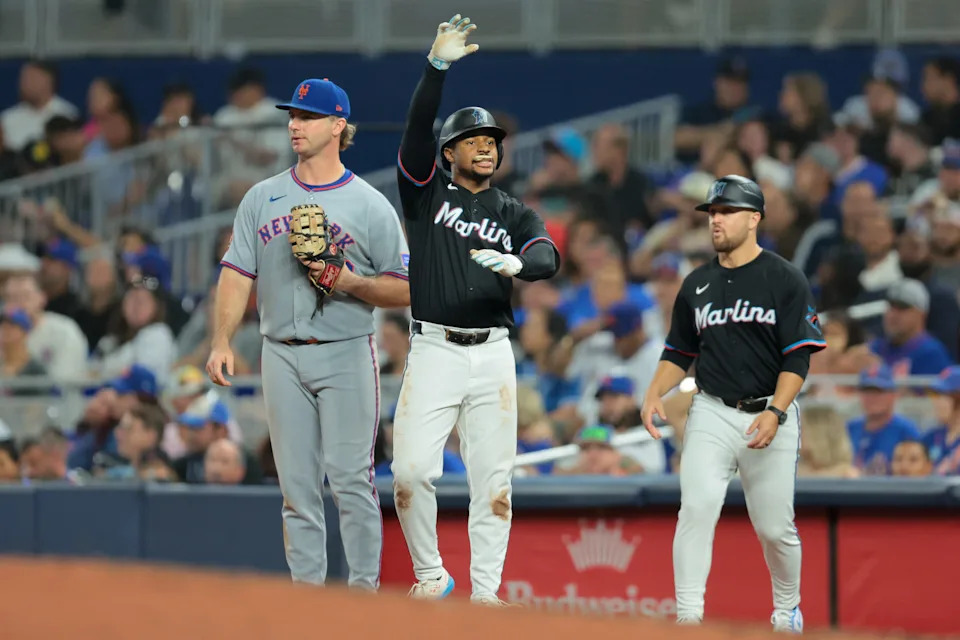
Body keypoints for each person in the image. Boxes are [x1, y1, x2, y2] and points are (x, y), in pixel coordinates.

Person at [206, 76, 411, 591]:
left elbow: (404, 287)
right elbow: (235, 273)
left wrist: (349, 281)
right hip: (280, 352)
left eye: (308, 117)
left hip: (345, 350)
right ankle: (307, 605)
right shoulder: (262, 196)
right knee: (296, 488)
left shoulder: (368, 204)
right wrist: (221, 339)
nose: (295, 125)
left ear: (338, 125)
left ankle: (363, 597)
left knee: (350, 481)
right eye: (293, 116)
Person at [390, 14, 560, 606]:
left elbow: (545, 252)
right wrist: (435, 68)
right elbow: (415, 130)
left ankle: (487, 593)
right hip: (435, 347)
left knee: (495, 484)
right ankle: (432, 573)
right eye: (474, 139)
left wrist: (522, 265)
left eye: (492, 140)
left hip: (491, 354)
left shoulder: (513, 212)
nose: (486, 145)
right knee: (410, 472)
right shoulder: (425, 191)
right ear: (449, 152)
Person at [640, 175, 826, 632]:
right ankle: (688, 616)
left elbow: (797, 358)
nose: (716, 220)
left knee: (774, 529)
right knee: (697, 508)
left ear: (754, 218)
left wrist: (776, 412)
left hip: (769, 411)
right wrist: (652, 392)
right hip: (712, 410)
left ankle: (787, 609)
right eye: (713, 213)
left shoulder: (784, 278)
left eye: (726, 212)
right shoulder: (697, 283)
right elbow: (679, 352)